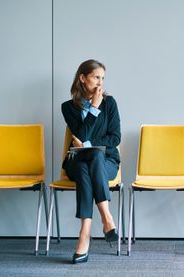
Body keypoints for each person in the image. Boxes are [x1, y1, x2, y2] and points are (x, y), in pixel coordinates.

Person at [61, 59, 121, 264]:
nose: (100, 83)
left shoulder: (110, 103)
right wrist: (94, 108)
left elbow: (115, 138)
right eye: (96, 77)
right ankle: (107, 218)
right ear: (82, 78)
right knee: (86, 162)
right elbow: (81, 133)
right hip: (75, 160)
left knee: (93, 157)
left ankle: (84, 234)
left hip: (106, 162)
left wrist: (87, 145)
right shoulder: (68, 107)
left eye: (103, 78)